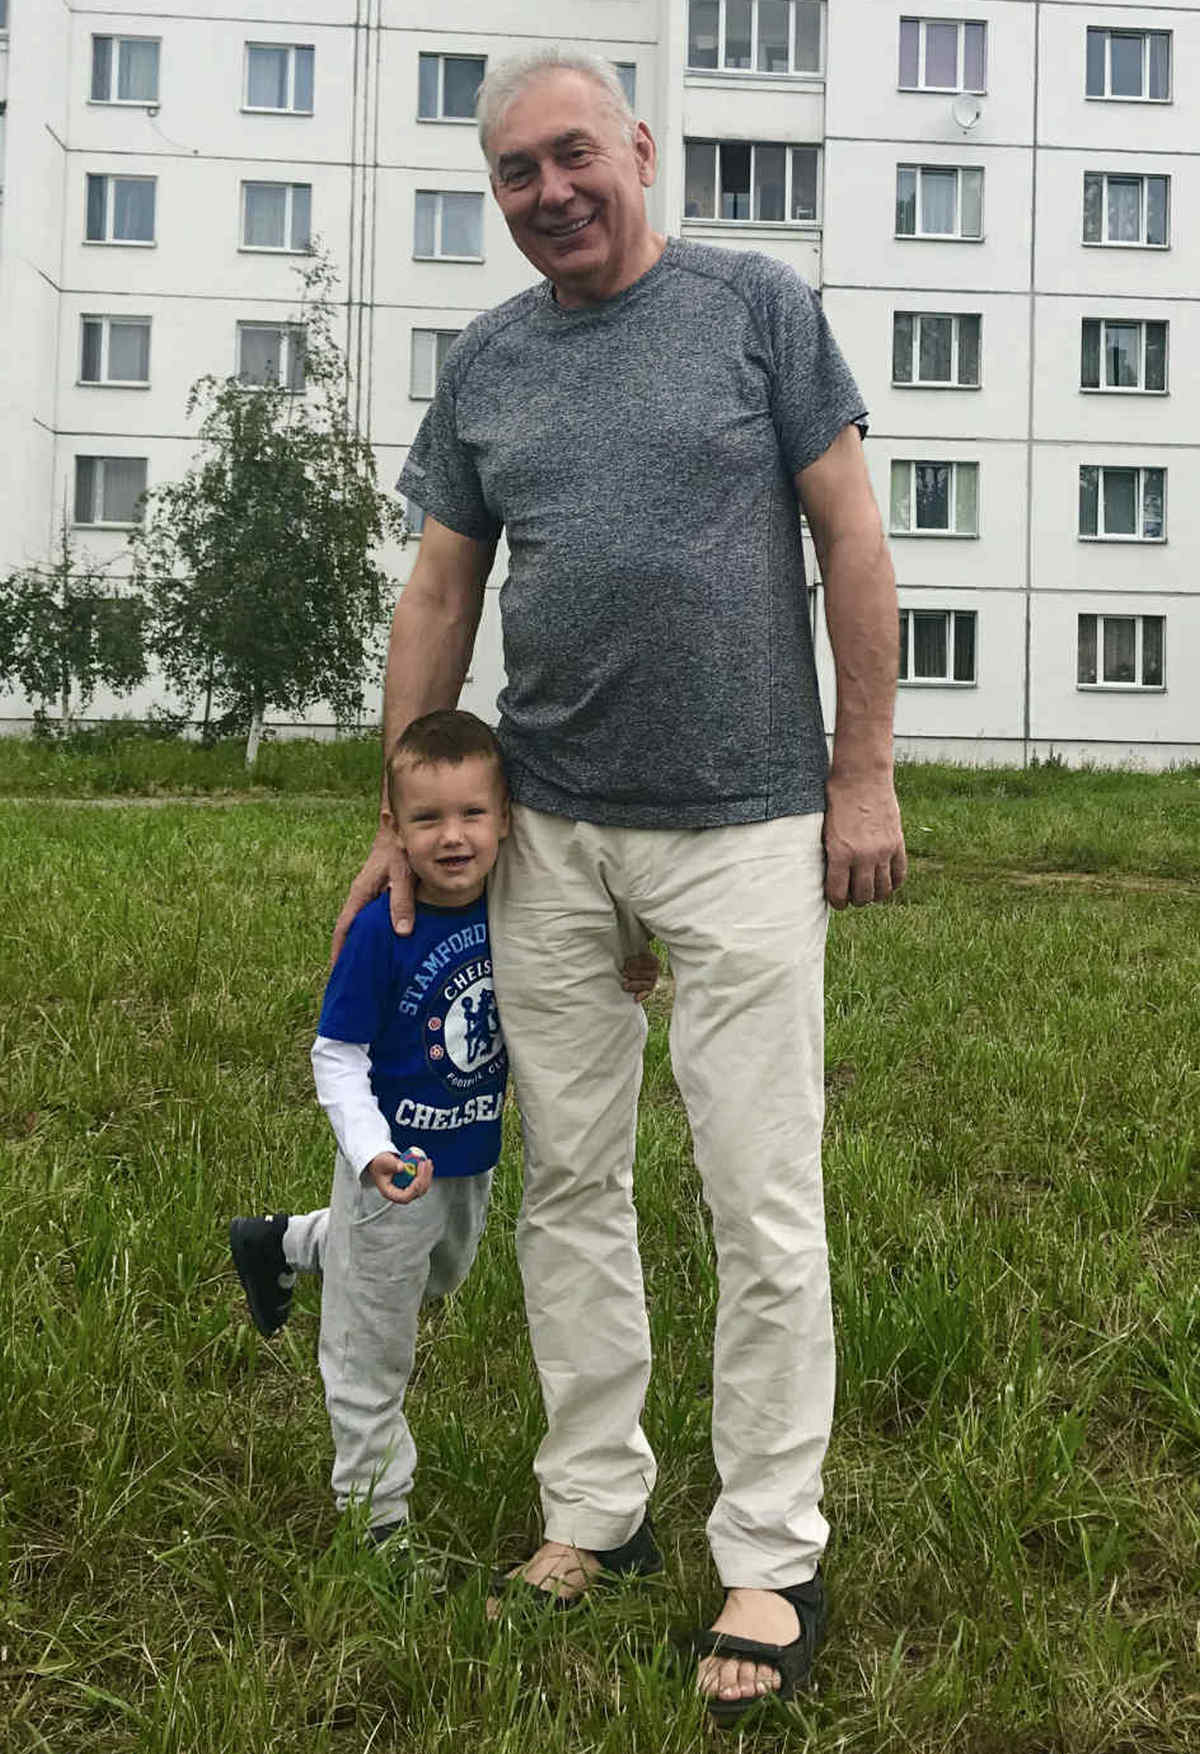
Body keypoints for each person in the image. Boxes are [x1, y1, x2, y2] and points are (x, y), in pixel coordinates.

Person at [332, 51, 906, 1718]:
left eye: (572, 153)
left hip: (744, 824)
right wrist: (398, 811)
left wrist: (863, 770)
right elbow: (441, 589)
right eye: (515, 171)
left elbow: (851, 535)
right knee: (572, 1181)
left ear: (640, 149)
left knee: (758, 1191)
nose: (550, 191)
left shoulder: (755, 309)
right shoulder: (490, 360)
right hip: (555, 831)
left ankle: (769, 1549)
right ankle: (595, 1507)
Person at [230, 708, 658, 1542]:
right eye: (427, 818)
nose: (452, 837)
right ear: (394, 829)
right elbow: (336, 1054)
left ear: (506, 820)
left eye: (471, 814)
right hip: (391, 1171)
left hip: (467, 1159)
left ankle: (284, 1242)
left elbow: (567, 972)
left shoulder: (514, 909)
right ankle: (375, 1519)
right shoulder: (382, 931)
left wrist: (628, 964)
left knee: (439, 1274)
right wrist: (372, 1153)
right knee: (370, 1341)